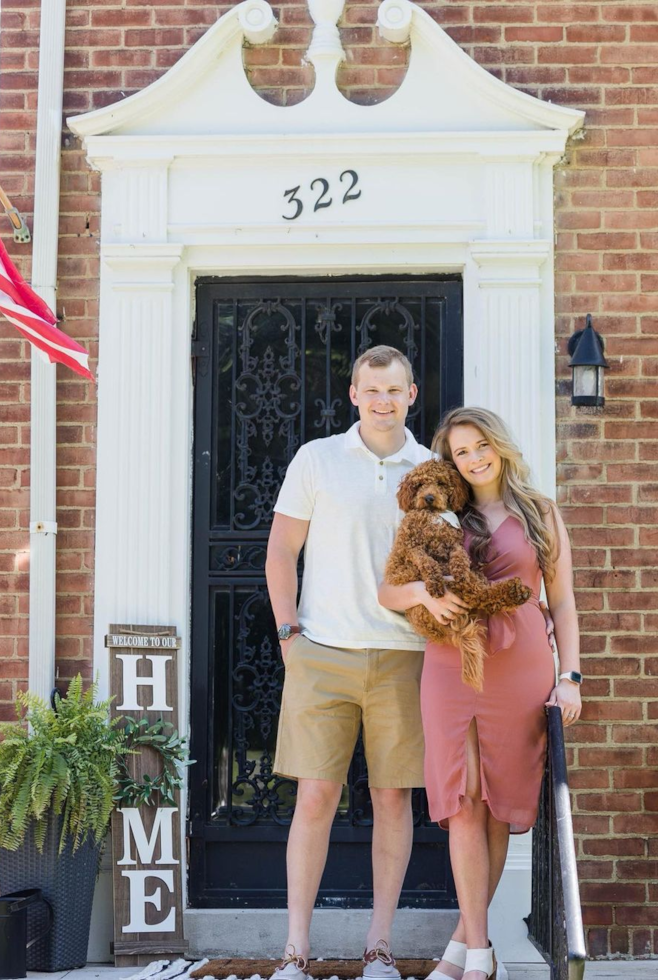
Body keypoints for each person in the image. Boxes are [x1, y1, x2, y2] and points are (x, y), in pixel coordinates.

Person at [378, 407, 582, 980]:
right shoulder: (442, 513)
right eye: (460, 452)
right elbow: (389, 590)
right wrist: (423, 590)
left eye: (479, 445)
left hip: (520, 668)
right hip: (452, 667)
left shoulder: (540, 512)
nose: (472, 458)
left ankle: (463, 949)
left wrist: (571, 676)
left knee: (496, 809)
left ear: (500, 445)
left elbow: (561, 602)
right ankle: (481, 954)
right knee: (464, 801)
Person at [265, 345, 433, 980]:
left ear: (411, 394)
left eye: (394, 390)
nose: (383, 400)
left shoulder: (433, 468)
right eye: (372, 389)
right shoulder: (317, 459)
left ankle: (379, 947)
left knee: (394, 801)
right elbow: (281, 551)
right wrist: (289, 636)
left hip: (405, 657)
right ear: (354, 394)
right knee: (315, 798)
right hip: (323, 653)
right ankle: (294, 951)